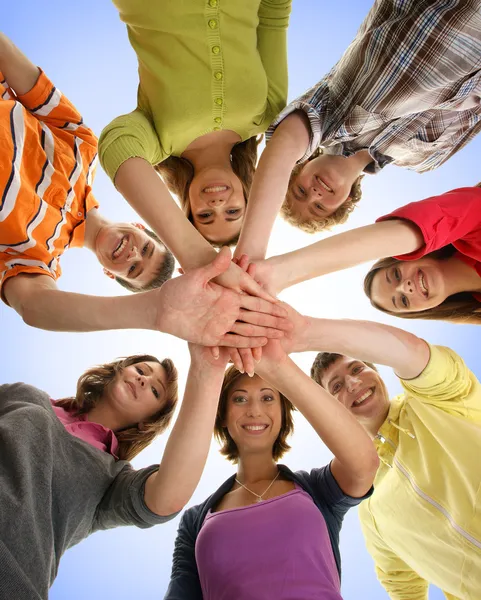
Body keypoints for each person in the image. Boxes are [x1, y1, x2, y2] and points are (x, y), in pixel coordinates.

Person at [233, 0, 481, 262]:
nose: (314, 194)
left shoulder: (328, 115)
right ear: (346, 202)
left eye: (300, 191)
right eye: (318, 207)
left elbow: (281, 148)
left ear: (300, 166)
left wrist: (249, 254)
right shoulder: (424, 161)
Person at [0, 342, 239, 599]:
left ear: (149, 421)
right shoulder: (25, 395)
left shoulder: (111, 479)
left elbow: (167, 497)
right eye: (141, 369)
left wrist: (207, 371)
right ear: (120, 369)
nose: (144, 379)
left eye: (156, 391)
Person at [165, 338, 378, 599]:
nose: (255, 410)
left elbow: (364, 465)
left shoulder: (317, 489)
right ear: (222, 414)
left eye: (267, 397)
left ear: (283, 413)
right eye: (240, 399)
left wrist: (276, 364)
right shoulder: (193, 522)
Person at [98, 0, 291, 257]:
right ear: (248, 195)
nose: (218, 204)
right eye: (233, 212)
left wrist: (194, 256)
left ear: (187, 206)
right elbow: (272, 17)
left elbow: (114, 145)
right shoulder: (267, 117)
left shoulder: (158, 141)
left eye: (205, 215)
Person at [307, 317, 481, 599]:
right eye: (336, 386)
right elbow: (402, 585)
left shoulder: (437, 400)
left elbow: (423, 360)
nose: (352, 383)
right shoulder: (370, 509)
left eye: (357, 368)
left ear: (376, 371)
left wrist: (306, 332)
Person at [235, 185, 481, 325]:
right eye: (403, 301)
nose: (405, 288)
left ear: (404, 255)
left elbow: (433, 221)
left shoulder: (472, 224)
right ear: (422, 312)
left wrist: (281, 272)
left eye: (395, 275)